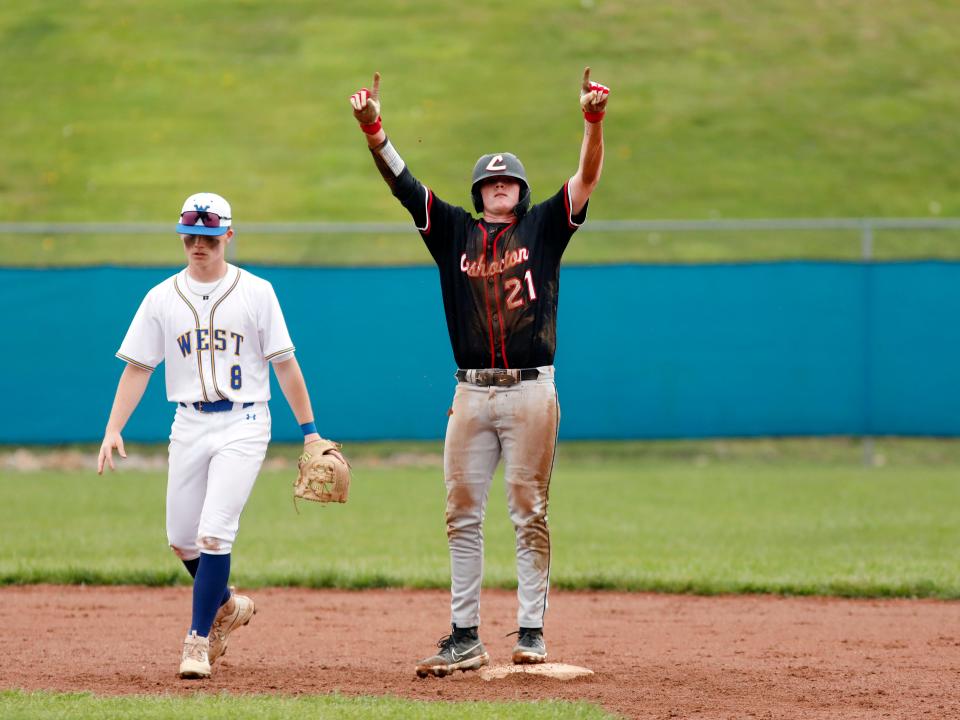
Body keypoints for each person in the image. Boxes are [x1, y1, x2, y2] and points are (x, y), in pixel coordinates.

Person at [349, 68, 609, 677]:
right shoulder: (454, 234)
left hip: (530, 390)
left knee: (529, 511)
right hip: (469, 391)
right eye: (490, 181)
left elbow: (588, 176)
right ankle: (465, 635)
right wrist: (374, 131)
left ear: (520, 190)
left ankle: (532, 633)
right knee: (460, 514)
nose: (499, 187)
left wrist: (593, 122)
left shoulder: (543, 227)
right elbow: (405, 186)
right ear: (479, 193)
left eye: (508, 180)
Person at [97, 192, 346, 679]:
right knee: (180, 540)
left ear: (227, 235)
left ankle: (197, 640)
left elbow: (285, 365)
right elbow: (137, 369)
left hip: (245, 421)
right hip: (188, 422)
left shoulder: (257, 292)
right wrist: (113, 427)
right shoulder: (162, 297)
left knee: (214, 532)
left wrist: (310, 432)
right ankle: (227, 605)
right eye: (190, 236)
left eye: (208, 236)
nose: (198, 244)